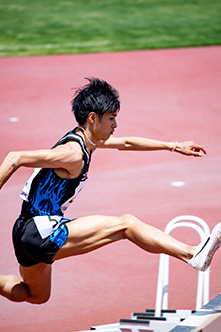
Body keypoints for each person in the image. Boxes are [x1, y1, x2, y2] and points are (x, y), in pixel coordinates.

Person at [0, 77, 220, 305]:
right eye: (112, 118)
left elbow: (125, 143)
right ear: (93, 118)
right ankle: (192, 254)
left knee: (36, 295)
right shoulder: (74, 154)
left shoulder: (87, 139)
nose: (115, 125)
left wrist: (173, 146)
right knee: (126, 224)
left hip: (24, 231)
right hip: (39, 230)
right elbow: (16, 158)